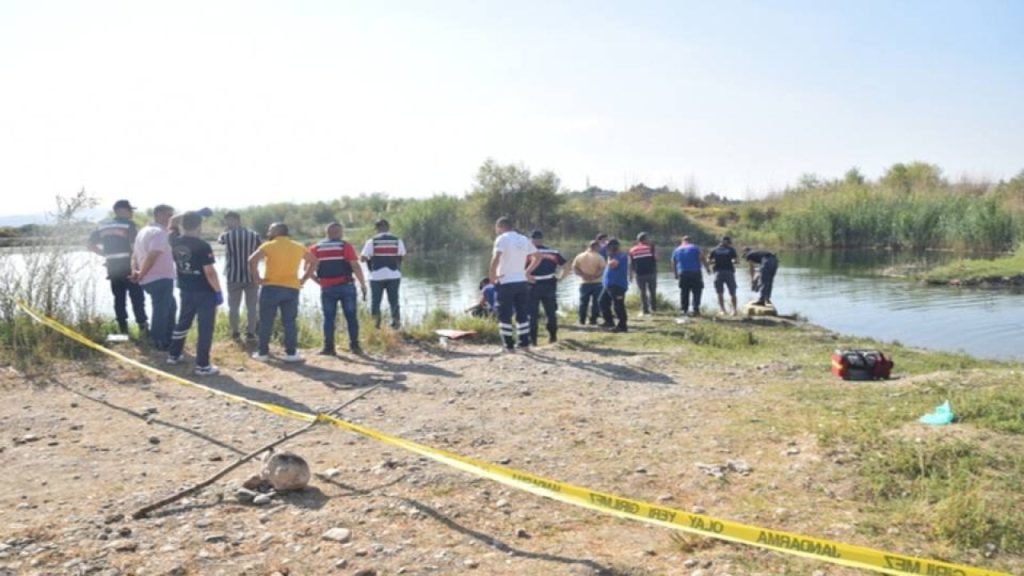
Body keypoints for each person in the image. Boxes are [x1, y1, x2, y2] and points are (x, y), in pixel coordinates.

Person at [248, 222, 318, 362]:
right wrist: (304, 279)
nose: (268, 232)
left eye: (270, 230)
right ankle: (291, 353)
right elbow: (314, 261)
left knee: (266, 321)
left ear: (277, 232)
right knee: (290, 322)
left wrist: (257, 278)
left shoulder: (268, 246)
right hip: (292, 288)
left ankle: (263, 353)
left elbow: (252, 260)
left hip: (271, 287)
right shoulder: (298, 246)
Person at [166, 211, 223, 375]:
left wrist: (194, 212)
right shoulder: (202, 245)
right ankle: (203, 366)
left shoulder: (174, 240)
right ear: (199, 226)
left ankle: (174, 355)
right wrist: (218, 292)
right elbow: (210, 272)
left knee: (183, 322)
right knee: (205, 328)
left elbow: (171, 221)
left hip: (185, 289)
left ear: (182, 225)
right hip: (204, 292)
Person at [87, 199, 148, 334]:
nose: (132, 213)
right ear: (121, 211)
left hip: (112, 267)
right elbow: (135, 247)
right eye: (130, 210)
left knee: (119, 299)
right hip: (129, 265)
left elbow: (90, 245)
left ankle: (123, 332)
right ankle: (143, 330)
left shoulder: (102, 226)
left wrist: (106, 254)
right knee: (137, 297)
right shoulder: (129, 225)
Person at [310, 222, 367, 355]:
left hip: (327, 288)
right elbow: (355, 266)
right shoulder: (345, 246)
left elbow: (306, 269)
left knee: (328, 318)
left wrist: (318, 281)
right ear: (340, 233)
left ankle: (329, 348)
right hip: (346, 286)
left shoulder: (316, 248)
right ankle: (355, 347)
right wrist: (363, 284)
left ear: (327, 233)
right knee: (351, 317)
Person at [489, 216, 538, 351]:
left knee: (504, 314)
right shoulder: (523, 239)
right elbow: (538, 256)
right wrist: (527, 272)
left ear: (500, 227)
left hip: (505, 281)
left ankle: (508, 345)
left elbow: (496, 258)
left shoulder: (502, 239)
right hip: (521, 281)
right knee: (522, 312)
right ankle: (524, 344)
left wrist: (492, 277)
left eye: (497, 228)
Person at [132, 204, 177, 350]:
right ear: (158, 215)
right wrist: (140, 274)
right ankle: (159, 342)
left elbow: (134, 255)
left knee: (170, 306)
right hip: (159, 278)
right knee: (161, 311)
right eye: (168, 215)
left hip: (152, 278)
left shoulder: (143, 231)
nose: (171, 218)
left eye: (172, 215)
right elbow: (152, 255)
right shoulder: (159, 232)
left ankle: (170, 338)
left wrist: (136, 272)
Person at [218, 211, 262, 340]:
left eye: (228, 221)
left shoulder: (227, 235)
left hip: (233, 276)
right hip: (252, 275)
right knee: (252, 307)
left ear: (234, 220)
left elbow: (219, 240)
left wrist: (225, 230)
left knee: (233, 306)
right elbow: (261, 249)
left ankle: (235, 332)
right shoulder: (254, 235)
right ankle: (251, 333)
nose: (227, 223)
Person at [360, 219, 406, 329]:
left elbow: (362, 258)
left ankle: (376, 326)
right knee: (394, 300)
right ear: (389, 227)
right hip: (394, 275)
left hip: (376, 276)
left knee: (376, 302)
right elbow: (402, 256)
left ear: (376, 229)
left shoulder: (371, 241)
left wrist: (371, 259)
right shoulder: (397, 240)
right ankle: (396, 324)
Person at [526, 229, 567, 345]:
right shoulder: (553, 252)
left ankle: (533, 341)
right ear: (542, 239)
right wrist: (560, 277)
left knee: (532, 314)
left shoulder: (527, 253)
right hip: (549, 283)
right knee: (551, 312)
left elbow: (519, 268)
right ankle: (553, 337)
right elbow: (567, 266)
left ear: (531, 240)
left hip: (532, 285)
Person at [672, 235, 710, 316]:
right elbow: (702, 258)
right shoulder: (695, 248)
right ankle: (695, 309)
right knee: (697, 291)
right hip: (695, 272)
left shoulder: (677, 249)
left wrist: (675, 274)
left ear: (682, 241)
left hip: (683, 273)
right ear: (691, 241)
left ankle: (684, 310)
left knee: (684, 291)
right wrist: (707, 269)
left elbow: (673, 262)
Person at [571, 240, 605, 325]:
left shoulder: (580, 256)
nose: (600, 248)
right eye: (599, 247)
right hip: (597, 282)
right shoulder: (599, 257)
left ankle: (582, 320)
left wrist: (583, 275)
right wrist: (595, 276)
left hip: (584, 282)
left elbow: (574, 268)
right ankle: (592, 320)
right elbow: (603, 269)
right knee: (596, 302)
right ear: (596, 247)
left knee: (583, 302)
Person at [599, 238, 629, 332]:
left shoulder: (621, 256)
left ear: (614, 247)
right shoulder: (612, 256)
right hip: (609, 285)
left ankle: (622, 325)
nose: (607, 249)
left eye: (608, 247)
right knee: (602, 301)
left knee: (618, 305)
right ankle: (609, 321)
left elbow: (613, 265)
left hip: (618, 285)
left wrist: (608, 257)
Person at [707, 236, 739, 315]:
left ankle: (722, 310)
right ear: (728, 242)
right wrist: (733, 261)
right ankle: (734, 311)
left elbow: (708, 260)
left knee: (720, 292)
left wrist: (714, 262)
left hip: (718, 273)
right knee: (732, 292)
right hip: (729, 272)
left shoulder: (714, 250)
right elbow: (736, 260)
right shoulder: (731, 249)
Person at [628, 232, 658, 315]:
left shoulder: (632, 250)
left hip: (639, 274)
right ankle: (654, 308)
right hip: (651, 273)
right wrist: (654, 249)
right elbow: (656, 258)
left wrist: (630, 275)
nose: (649, 240)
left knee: (642, 292)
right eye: (648, 238)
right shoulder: (650, 248)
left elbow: (631, 263)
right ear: (644, 239)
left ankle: (645, 310)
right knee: (652, 291)